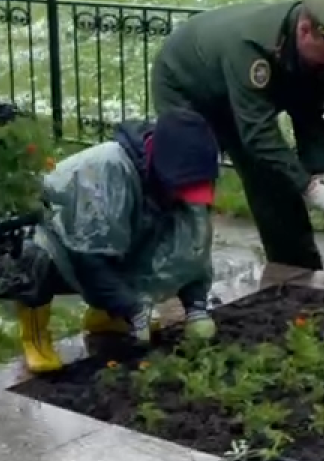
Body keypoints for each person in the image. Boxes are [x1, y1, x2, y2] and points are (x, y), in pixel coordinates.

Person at [150, 0, 324, 272]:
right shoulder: (252, 49)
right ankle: (180, 281)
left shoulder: (318, 51)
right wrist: (309, 188)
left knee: (272, 177)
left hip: (236, 94)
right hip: (187, 88)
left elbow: (309, 115)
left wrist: (321, 172)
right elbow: (258, 134)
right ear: (305, 31)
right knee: (193, 184)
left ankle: (296, 271)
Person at [14, 108, 223, 373]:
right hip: (60, 239)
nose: (186, 196)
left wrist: (196, 307)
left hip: (111, 247)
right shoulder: (107, 171)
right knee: (37, 259)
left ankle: (106, 317)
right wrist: (133, 307)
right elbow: (90, 258)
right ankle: (35, 336)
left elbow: (192, 247)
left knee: (134, 246)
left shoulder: (181, 177)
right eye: (182, 188)